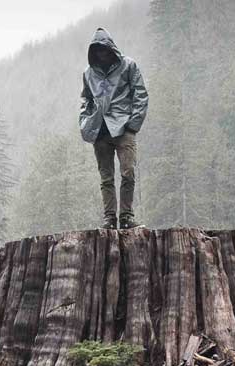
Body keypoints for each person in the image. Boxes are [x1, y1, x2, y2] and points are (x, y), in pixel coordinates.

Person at [80, 28, 149, 229]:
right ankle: (109, 218)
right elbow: (86, 99)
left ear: (110, 48)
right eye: (97, 50)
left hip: (123, 128)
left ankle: (126, 216)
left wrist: (133, 124)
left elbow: (140, 94)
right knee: (106, 177)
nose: (101, 53)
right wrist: (85, 122)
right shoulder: (88, 73)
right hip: (100, 131)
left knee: (128, 172)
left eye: (104, 49)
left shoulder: (128, 65)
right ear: (93, 51)